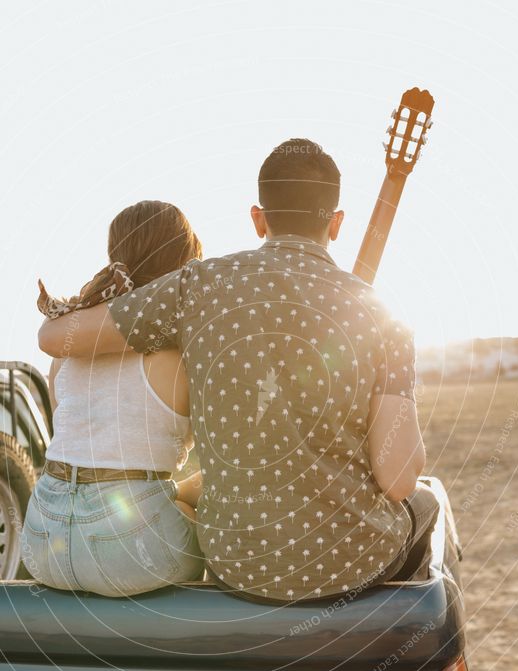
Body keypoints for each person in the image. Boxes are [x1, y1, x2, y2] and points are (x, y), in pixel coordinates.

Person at [39, 140, 438, 604]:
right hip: (348, 568)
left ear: (258, 218)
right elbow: (399, 479)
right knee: (426, 503)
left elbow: (55, 339)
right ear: (336, 223)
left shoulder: (200, 285)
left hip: (237, 566)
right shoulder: (384, 317)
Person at [23, 200, 204, 597]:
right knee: (205, 511)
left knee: (169, 495)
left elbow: (85, 453)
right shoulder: (180, 354)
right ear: (185, 262)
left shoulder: (67, 350)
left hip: (40, 536)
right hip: (126, 552)